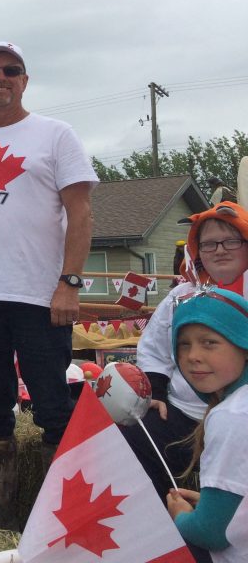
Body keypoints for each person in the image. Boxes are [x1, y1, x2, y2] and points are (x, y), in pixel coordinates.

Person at [0, 42, 97, 529]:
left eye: (11, 70)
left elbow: (81, 213)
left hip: (39, 296)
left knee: (52, 403)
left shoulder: (55, 134)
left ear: (25, 81)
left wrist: (69, 282)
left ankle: (61, 513)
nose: (0, 78)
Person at [128, 201, 248, 499]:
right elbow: (155, 349)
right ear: (197, 251)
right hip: (186, 412)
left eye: (230, 240)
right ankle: (160, 521)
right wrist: (155, 392)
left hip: (244, 416)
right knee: (132, 438)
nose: (219, 250)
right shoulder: (181, 296)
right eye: (209, 244)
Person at [166, 288, 248, 563]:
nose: (193, 356)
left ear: (244, 344)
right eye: (184, 344)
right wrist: (213, 505)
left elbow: (211, 533)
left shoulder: (233, 415)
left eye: (210, 342)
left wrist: (181, 518)